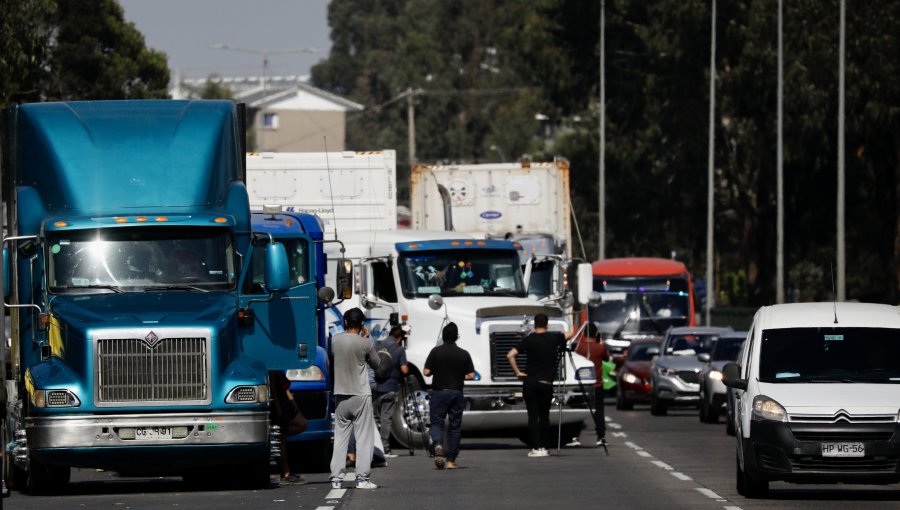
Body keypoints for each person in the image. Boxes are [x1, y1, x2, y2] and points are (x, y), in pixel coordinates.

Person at [329, 308, 382, 490]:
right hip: (360, 394)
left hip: (340, 395)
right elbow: (376, 364)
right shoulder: (365, 343)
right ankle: (362, 479)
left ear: (344, 323)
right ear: (362, 325)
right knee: (364, 438)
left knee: (340, 437)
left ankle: (336, 478)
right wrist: (368, 340)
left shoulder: (334, 341)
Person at [506, 313, 567, 457]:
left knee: (533, 416)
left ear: (534, 324)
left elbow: (510, 355)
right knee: (544, 415)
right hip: (546, 383)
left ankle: (536, 447)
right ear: (547, 324)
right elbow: (569, 334)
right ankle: (545, 447)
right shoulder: (554, 338)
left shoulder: (529, 340)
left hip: (530, 382)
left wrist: (518, 372)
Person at [423, 322, 475, 470]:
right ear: (457, 337)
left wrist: (437, 371)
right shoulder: (464, 354)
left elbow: (426, 372)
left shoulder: (435, 352)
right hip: (456, 393)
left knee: (436, 422)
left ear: (443, 337)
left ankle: (438, 443)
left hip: (439, 393)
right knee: (455, 427)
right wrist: (459, 376)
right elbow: (471, 375)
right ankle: (451, 461)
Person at [373, 325, 410, 458]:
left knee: (374, 418)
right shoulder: (399, 349)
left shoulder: (378, 345)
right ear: (400, 338)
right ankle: (385, 448)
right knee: (386, 419)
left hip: (376, 387)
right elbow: (404, 370)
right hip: (390, 387)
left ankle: (373, 447)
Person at [574, 323, 610, 447]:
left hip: (582, 385)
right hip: (597, 384)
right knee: (599, 411)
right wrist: (600, 342)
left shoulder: (580, 347)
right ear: (596, 334)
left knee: (578, 410)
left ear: (584, 334)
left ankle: (574, 437)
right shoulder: (600, 348)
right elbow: (607, 359)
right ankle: (601, 436)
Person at [269, 371, 308, 484]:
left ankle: (270, 439)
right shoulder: (271, 359)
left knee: (299, 424)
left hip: (284, 397)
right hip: (278, 398)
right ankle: (285, 473)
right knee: (281, 435)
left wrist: (291, 401)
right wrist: (276, 403)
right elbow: (271, 383)